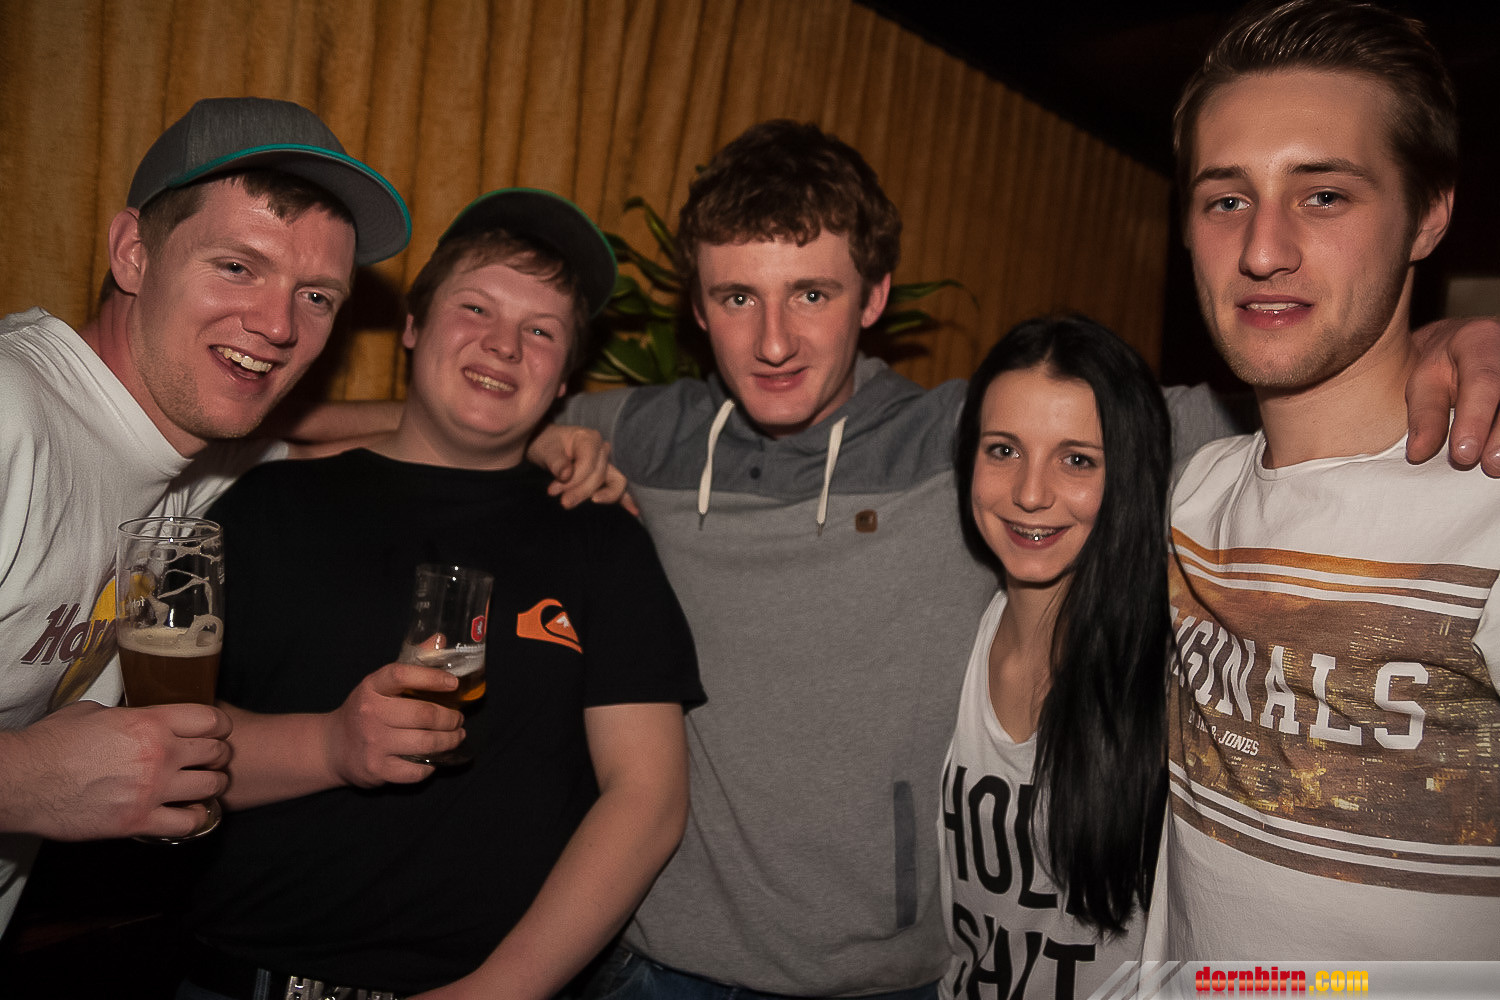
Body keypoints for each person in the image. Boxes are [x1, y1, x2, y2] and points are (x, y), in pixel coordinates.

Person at [566, 120, 1498, 999]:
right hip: (660, 968)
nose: (773, 340)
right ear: (698, 308)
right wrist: (546, 443)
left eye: (812, 293)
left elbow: (1269, 400)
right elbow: (497, 415)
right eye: (737, 297)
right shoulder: (648, 434)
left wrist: (1448, 341)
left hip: (887, 981)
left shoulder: (970, 437)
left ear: (875, 297)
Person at [178, 188, 704, 1000]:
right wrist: (332, 745)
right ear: (414, 326)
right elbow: (163, 753)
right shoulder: (264, 508)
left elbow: (649, 797)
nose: (503, 345)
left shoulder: (602, 537)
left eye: (541, 331)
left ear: (564, 379)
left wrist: (496, 992)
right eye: (476, 308)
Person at [0, 95, 412, 937]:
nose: (276, 326)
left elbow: (340, 437)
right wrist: (24, 780)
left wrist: (546, 437)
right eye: (237, 266)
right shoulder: (12, 415)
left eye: (317, 296)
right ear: (133, 253)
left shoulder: (188, 452)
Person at [1149, 0, 1500, 960]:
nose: (1263, 251)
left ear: (1429, 215)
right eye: (1226, 201)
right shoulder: (1197, 492)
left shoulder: (1485, 512)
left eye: (1325, 196)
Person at [941, 316, 1171, 1000]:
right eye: (1003, 450)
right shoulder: (953, 636)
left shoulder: (1176, 672)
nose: (1031, 493)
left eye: (1077, 460)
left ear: (1128, 475)